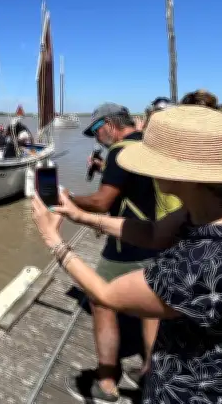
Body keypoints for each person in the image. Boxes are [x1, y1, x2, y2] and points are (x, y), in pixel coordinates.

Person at [31, 105, 222, 403]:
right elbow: (155, 233)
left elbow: (107, 294)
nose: (145, 170)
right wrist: (85, 217)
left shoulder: (207, 264)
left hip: (206, 392)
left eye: (152, 162)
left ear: (186, 176)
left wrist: (53, 238)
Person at [65, 103, 159, 403]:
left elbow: (103, 201)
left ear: (109, 124)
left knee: (100, 299)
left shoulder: (119, 152)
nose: (95, 138)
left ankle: (106, 382)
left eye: (95, 130)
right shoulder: (149, 145)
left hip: (127, 242)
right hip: (159, 237)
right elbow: (138, 185)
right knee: (151, 307)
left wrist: (68, 199)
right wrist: (104, 170)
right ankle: (150, 373)